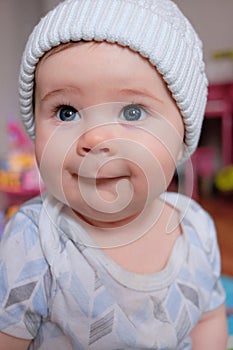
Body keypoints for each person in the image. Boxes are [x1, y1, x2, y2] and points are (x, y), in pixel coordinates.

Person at [0, 0, 228, 349]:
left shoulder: (195, 227)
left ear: (182, 136)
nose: (94, 138)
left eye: (133, 111)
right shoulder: (34, 242)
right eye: (66, 112)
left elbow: (209, 320)